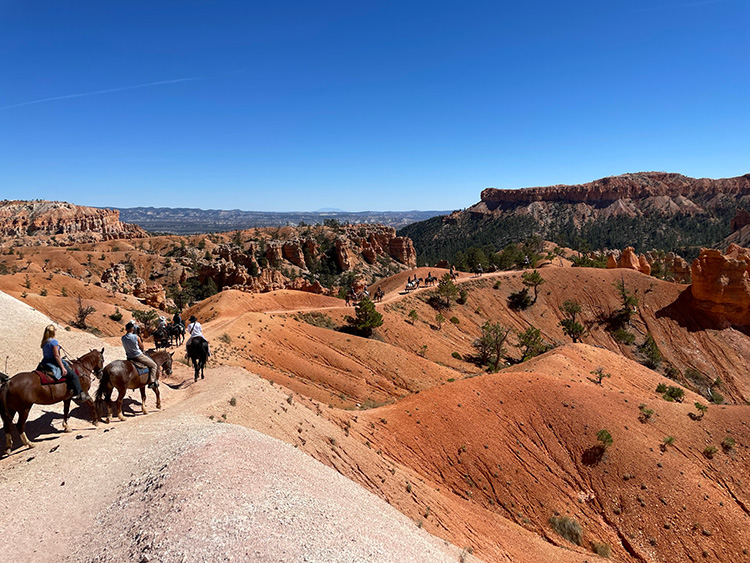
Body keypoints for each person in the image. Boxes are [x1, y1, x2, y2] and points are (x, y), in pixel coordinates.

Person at [40, 325, 90, 402]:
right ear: (53, 332)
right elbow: (56, 356)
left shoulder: (44, 342)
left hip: (45, 362)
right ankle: (79, 394)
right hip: (54, 363)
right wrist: (62, 368)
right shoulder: (54, 342)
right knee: (74, 375)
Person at [122, 321, 159, 388]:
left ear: (126, 329)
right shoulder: (136, 337)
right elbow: (142, 348)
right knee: (154, 365)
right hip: (138, 356)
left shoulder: (123, 338)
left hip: (129, 357)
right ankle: (152, 381)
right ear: (132, 329)